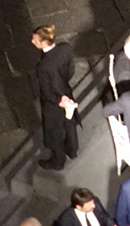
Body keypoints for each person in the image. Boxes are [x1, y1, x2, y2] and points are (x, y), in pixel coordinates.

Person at [32, 25, 79, 169]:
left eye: (35, 40)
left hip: (53, 104)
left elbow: (47, 91)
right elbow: (71, 70)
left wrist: (60, 100)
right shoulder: (65, 48)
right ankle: (72, 150)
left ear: (43, 42)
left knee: (55, 132)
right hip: (66, 90)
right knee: (69, 123)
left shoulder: (43, 66)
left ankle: (58, 161)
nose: (32, 42)